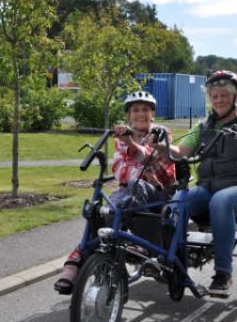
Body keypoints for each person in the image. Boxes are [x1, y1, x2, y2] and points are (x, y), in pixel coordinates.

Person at [54, 91, 176, 295]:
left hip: (160, 195)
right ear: (128, 115)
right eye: (135, 110)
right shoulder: (122, 136)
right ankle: (79, 259)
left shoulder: (162, 133)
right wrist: (139, 165)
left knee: (129, 192)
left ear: (152, 113)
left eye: (145, 109)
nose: (141, 114)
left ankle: (78, 259)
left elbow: (160, 170)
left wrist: (134, 152)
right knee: (98, 209)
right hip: (131, 195)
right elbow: (119, 169)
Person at [162, 70, 237, 298]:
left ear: (236, 97)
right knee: (177, 202)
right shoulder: (203, 127)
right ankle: (175, 263)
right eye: (214, 95)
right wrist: (161, 145)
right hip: (208, 188)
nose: (219, 100)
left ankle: (223, 273)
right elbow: (181, 151)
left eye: (224, 95)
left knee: (221, 200)